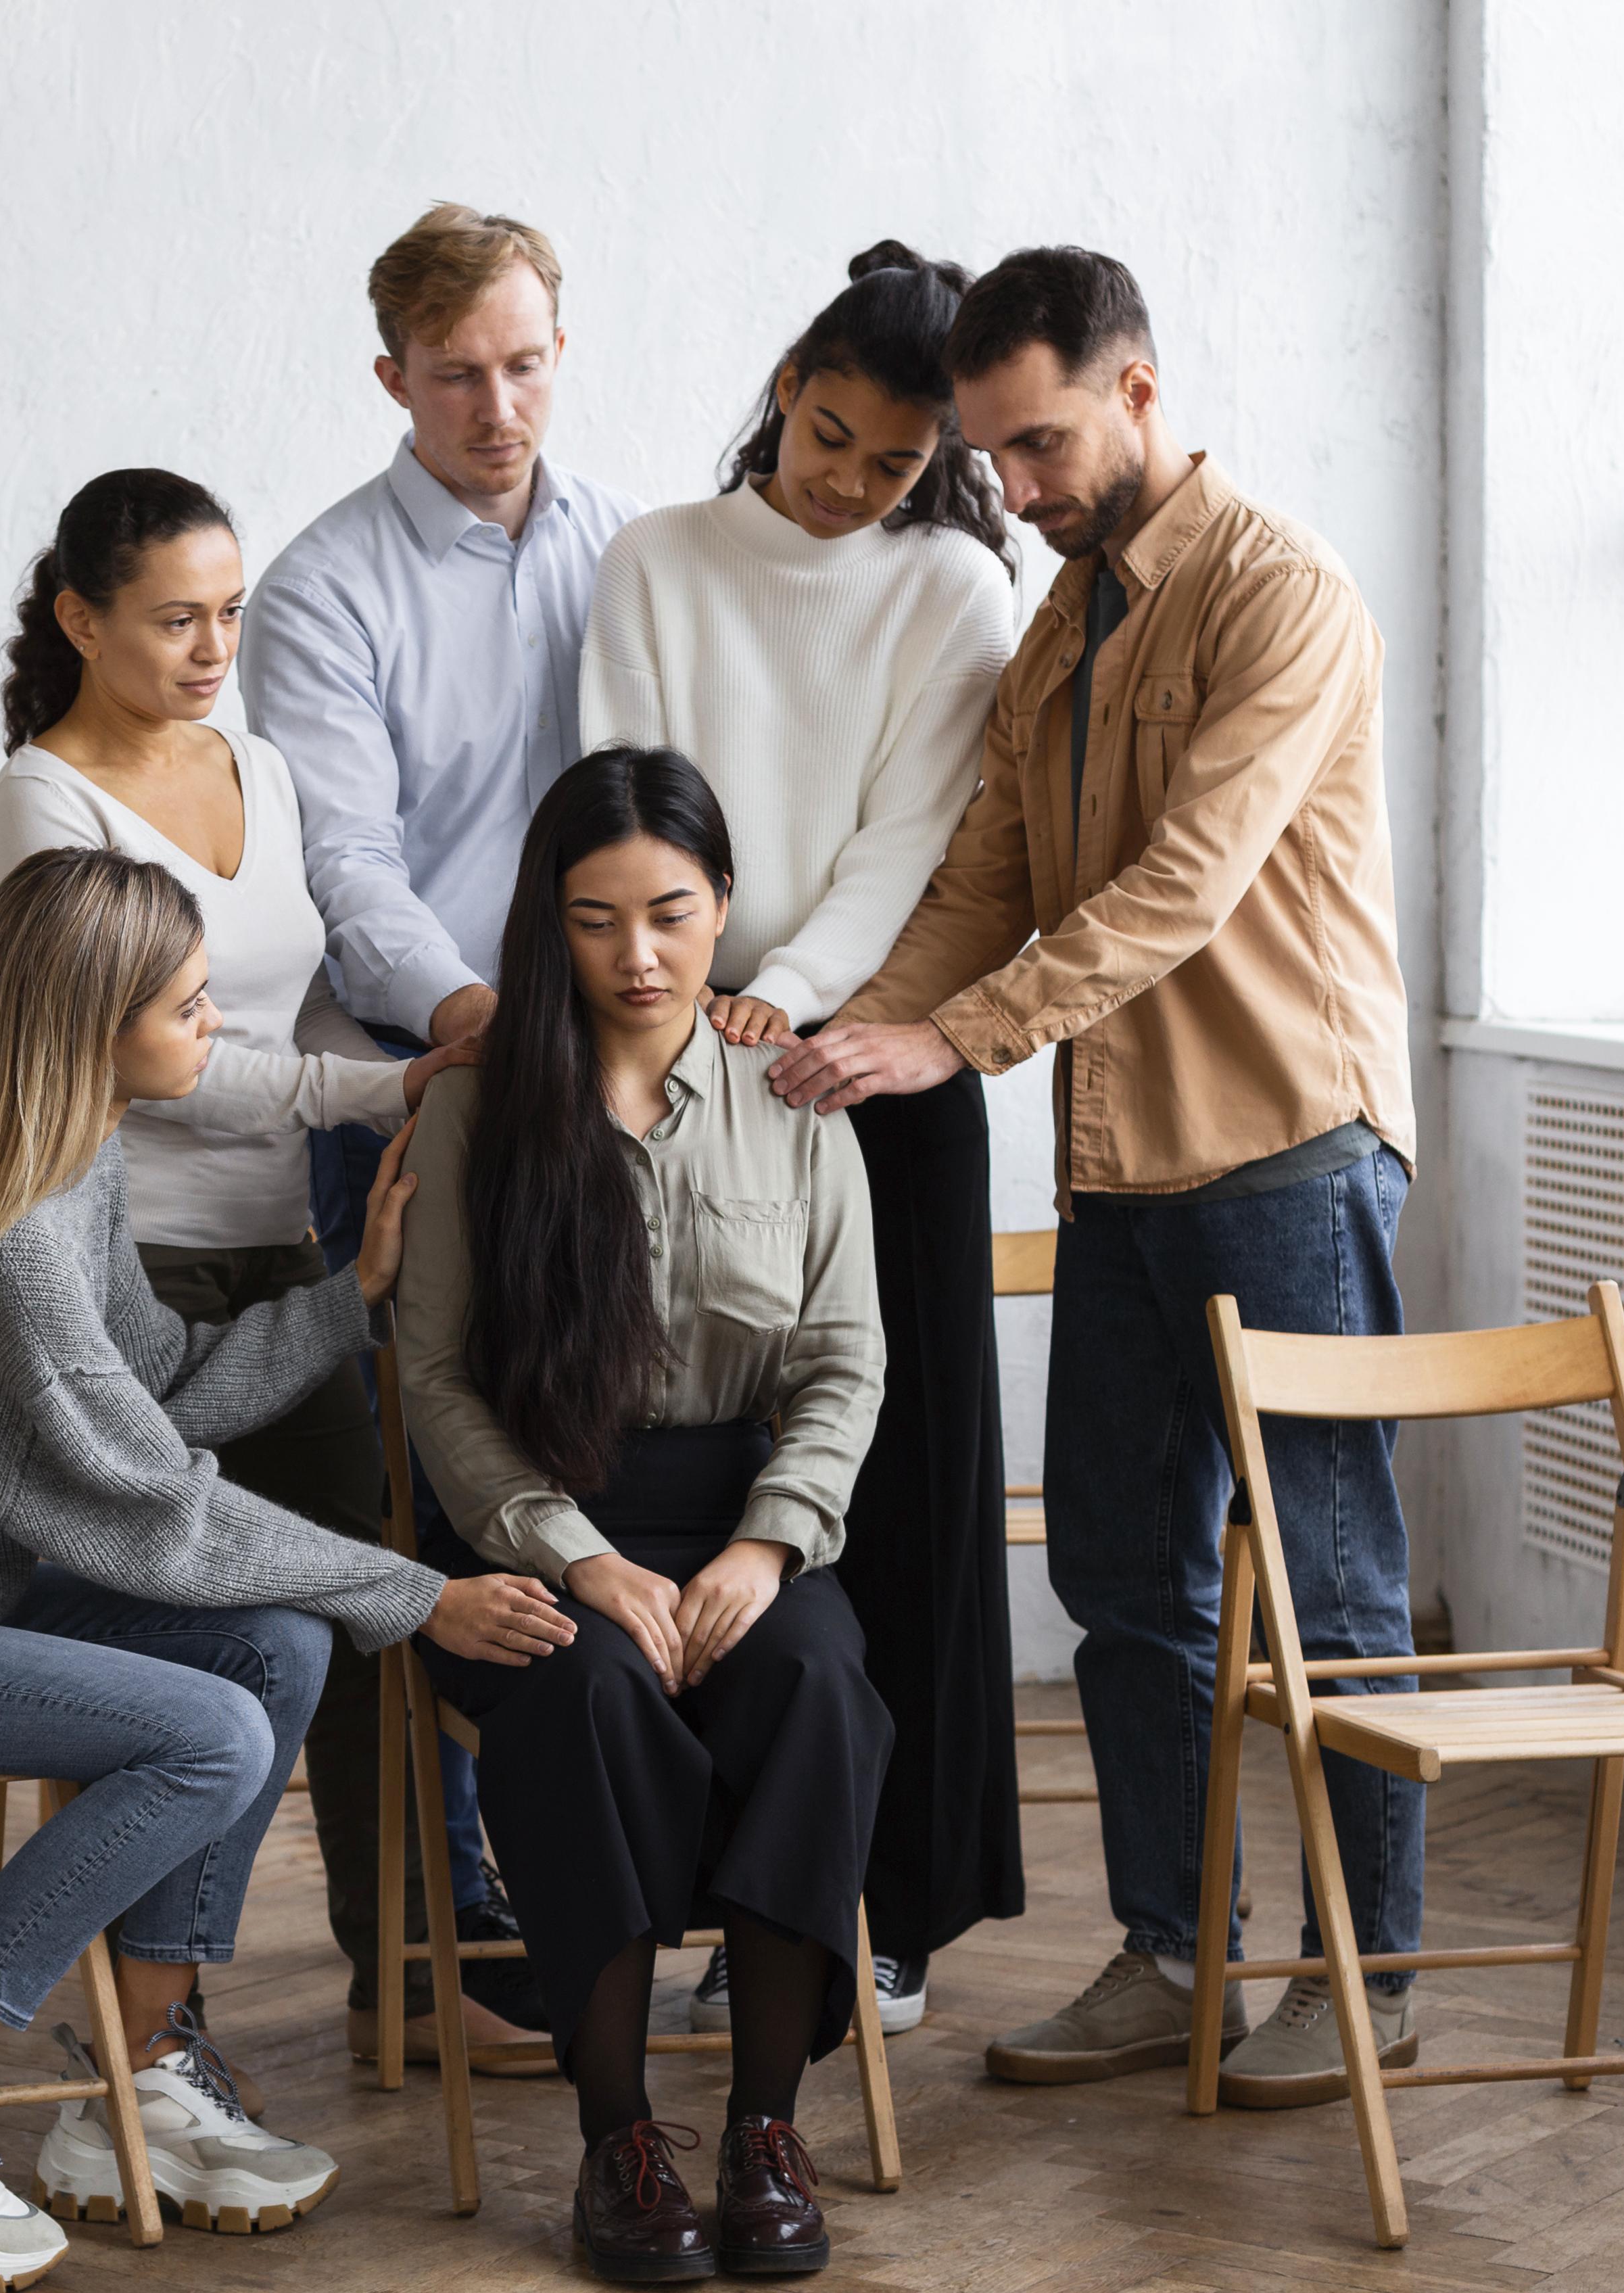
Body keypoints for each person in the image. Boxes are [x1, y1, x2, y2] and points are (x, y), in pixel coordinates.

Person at [0, 848, 574, 2293]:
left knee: (271, 1647)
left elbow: (156, 1396)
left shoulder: (73, 1158)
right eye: (189, 1003)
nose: (212, 1027)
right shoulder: (13, 1237)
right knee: (210, 1725)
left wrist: (348, 1298)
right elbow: (158, 1502)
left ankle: (144, 2082)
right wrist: (416, 1595)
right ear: (90, 1024)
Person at [767, 247, 1423, 2109]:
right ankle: (1174, 1956)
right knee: (1129, 1586)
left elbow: (1178, 888)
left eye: (1039, 443)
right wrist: (826, 1031)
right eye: (992, 456)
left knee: (1333, 1585)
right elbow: (984, 874)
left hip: (1287, 1150)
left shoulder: (1281, 594)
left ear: (1136, 388)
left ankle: (1366, 1978)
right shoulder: (1056, 623)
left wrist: (950, 1042)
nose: (1020, 489)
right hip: (1121, 1173)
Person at [0, 465, 548, 2078]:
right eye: (175, 619)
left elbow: (291, 1015)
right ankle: (156, 2023)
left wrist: (404, 1063)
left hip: (278, 1249)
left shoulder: (262, 769)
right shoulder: (45, 799)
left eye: (230, 612)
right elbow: (159, 1050)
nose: (215, 646)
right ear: (82, 621)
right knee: (160, 1624)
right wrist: (390, 1089)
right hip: (122, 1263)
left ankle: (412, 1978)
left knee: (356, 1608)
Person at [580, 239, 1024, 2042]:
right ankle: (711, 1902)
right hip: (661, 1049)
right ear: (782, 382)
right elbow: (624, 786)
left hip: (865, 1071)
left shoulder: (955, 590)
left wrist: (803, 1005)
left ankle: (892, 1909)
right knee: (679, 1475)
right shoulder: (655, 560)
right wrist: (695, 1005)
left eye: (891, 465)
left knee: (899, 1494)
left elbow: (912, 833)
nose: (846, 483)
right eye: (827, 435)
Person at [396, 747, 893, 2284]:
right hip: (541, 1524)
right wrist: (577, 1556)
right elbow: (434, 1381)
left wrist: (769, 1539)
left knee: (815, 1682)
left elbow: (844, 1358)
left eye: (672, 914)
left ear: (725, 907)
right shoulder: (484, 1110)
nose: (639, 955)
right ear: (551, 922)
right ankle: (617, 2138)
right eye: (596, 919)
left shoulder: (794, 1099)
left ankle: (761, 2126)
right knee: (587, 1690)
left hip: (742, 1512)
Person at [245, 199, 642, 2062]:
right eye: (457, 374)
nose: (498, 408)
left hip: (597, 1099)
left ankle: (587, 1877)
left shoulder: (624, 554)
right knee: (392, 1518)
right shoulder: (325, 585)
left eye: (525, 365)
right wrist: (491, 1028)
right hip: (417, 1091)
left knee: (574, 1481)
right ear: (389, 377)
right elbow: (345, 869)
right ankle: (424, 1931)